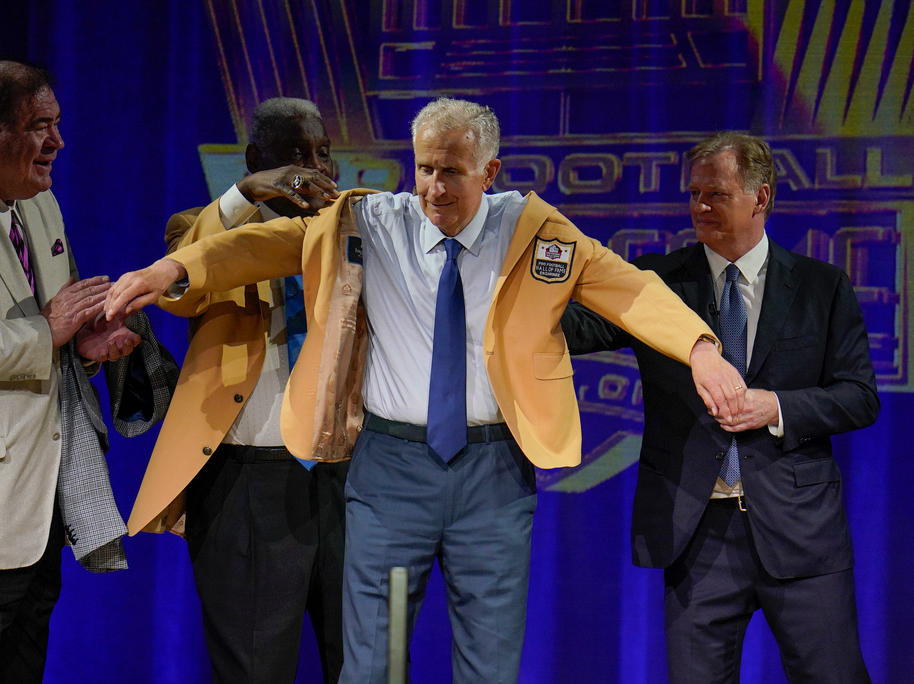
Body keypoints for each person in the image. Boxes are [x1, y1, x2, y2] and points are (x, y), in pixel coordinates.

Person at [104, 98, 743, 684]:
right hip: (390, 475)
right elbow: (266, 244)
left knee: (488, 665)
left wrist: (701, 349)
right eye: (425, 168)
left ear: (489, 171)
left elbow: (629, 290)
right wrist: (172, 268)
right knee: (375, 665)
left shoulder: (534, 231)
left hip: (493, 475)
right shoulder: (373, 221)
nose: (435, 187)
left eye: (453, 172)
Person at [562, 131, 879, 682]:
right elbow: (571, 330)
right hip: (696, 531)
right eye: (694, 194)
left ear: (761, 197)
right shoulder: (655, 285)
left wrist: (774, 407)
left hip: (801, 533)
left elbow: (858, 397)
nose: (700, 207)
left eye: (717, 194)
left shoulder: (820, 286)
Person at [0, 58, 175, 684]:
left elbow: (53, 326)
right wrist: (45, 334)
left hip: (35, 518)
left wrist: (85, 341)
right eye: (41, 126)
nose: (58, 142)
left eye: (58, 124)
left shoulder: (39, 203)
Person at [126, 97, 344, 684]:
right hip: (250, 485)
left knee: (365, 666)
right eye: (295, 156)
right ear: (255, 161)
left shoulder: (357, 235)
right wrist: (247, 194)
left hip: (352, 480)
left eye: (324, 153)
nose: (315, 168)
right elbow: (185, 284)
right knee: (253, 670)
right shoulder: (199, 228)